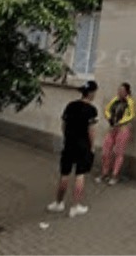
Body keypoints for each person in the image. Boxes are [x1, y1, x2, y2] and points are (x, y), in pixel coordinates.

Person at [48, 81, 98, 217]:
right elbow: (91, 130)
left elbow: (63, 124)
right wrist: (92, 147)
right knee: (80, 175)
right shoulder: (91, 110)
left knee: (65, 174)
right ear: (92, 93)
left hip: (69, 143)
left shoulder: (70, 106)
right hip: (83, 145)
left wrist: (67, 137)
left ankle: (58, 203)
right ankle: (75, 207)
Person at [96, 82, 135, 185]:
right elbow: (107, 109)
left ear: (127, 92)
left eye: (122, 91)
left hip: (123, 129)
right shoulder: (115, 100)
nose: (119, 92)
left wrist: (120, 122)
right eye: (119, 90)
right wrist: (109, 119)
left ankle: (115, 175)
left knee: (118, 152)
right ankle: (104, 173)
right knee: (106, 150)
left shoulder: (130, 102)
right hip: (112, 127)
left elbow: (130, 115)